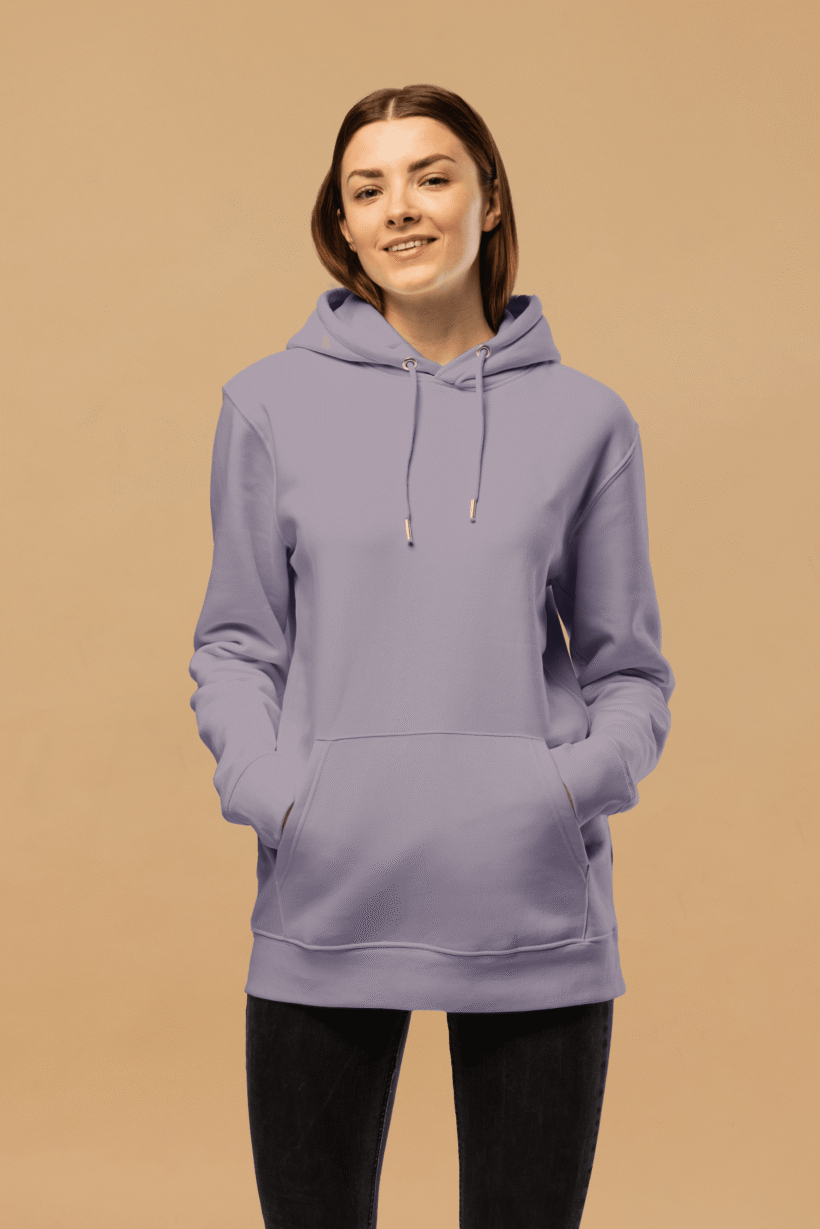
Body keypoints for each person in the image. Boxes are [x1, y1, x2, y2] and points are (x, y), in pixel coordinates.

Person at [189, 83, 675, 1229]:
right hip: (326, 895)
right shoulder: (266, 405)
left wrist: (559, 790)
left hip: (533, 906)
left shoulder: (587, 420)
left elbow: (628, 670)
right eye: (368, 188)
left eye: (431, 176)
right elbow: (237, 641)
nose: (400, 207)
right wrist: (276, 793)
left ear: (488, 199)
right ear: (344, 224)